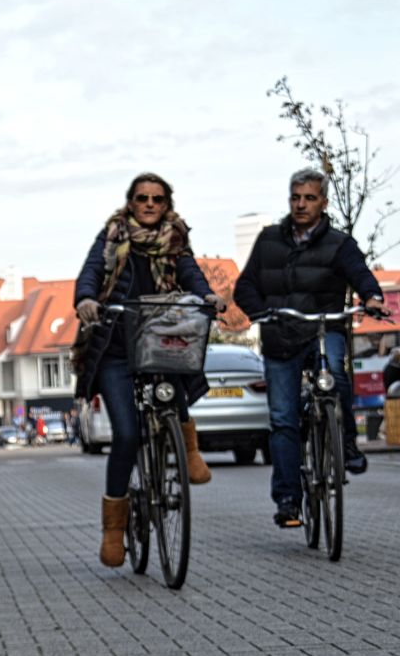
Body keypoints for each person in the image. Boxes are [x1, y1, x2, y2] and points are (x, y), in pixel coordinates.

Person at [73, 172, 225, 567]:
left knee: (177, 373)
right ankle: (114, 530)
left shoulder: (175, 237)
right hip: (116, 347)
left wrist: (205, 294)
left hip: (158, 337)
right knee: (126, 434)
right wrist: (86, 299)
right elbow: (91, 271)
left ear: (166, 204)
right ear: (131, 202)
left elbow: (189, 272)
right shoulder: (112, 236)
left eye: (157, 199)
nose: (150, 204)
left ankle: (187, 448)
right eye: (142, 198)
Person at [233, 168, 387, 529]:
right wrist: (262, 313)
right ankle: (288, 499)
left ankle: (346, 444)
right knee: (283, 420)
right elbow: (245, 287)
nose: (301, 204)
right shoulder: (269, 240)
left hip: (323, 328)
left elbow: (361, 275)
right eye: (295, 197)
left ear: (323, 202)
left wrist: (373, 297)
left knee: (335, 373)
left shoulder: (339, 243)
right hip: (280, 334)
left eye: (309, 198)